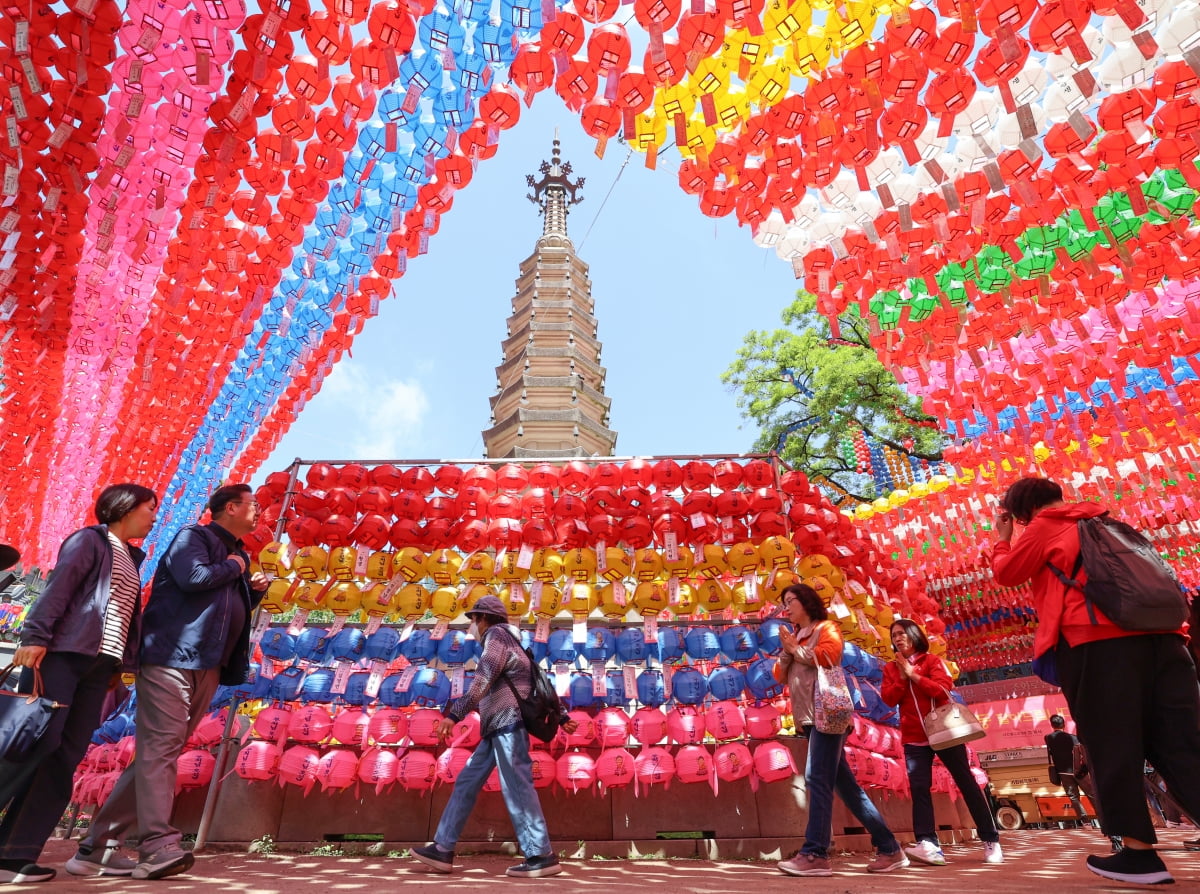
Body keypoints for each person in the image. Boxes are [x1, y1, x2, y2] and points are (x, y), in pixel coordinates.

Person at [992, 476, 1200, 885]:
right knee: (1183, 746)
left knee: (1112, 746)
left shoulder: (1043, 526)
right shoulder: (1105, 522)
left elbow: (1007, 572)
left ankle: (1139, 856)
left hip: (1100, 646)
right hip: (1167, 640)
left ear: (1019, 512)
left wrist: (1003, 538)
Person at [69, 484, 267, 882]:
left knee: (159, 753)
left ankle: (96, 848)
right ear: (230, 507)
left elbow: (223, 603)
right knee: (160, 750)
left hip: (208, 664)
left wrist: (252, 591)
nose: (259, 512)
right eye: (253, 505)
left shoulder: (237, 554)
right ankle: (157, 845)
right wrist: (236, 568)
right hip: (171, 657)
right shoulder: (194, 537)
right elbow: (195, 578)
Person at [0, 484, 157, 885]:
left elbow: (122, 617)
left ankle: (16, 853)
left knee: (63, 757)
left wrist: (119, 667)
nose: (154, 517)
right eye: (149, 509)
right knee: (32, 743)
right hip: (65, 656)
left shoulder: (130, 556)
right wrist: (35, 637)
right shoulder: (90, 541)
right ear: (125, 508)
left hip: (97, 668)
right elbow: (59, 590)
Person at [412, 594, 576, 878]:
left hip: (507, 724)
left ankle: (541, 854)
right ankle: (443, 848)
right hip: (495, 727)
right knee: (466, 781)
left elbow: (484, 679)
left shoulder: (497, 636)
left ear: (484, 618)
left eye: (473, 620)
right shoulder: (514, 642)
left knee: (517, 786)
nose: (471, 627)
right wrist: (561, 716)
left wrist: (454, 714)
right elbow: (539, 681)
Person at [772, 583, 908, 877]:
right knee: (847, 788)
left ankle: (815, 853)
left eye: (791, 600)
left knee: (816, 778)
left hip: (828, 715)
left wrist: (796, 649)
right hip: (809, 718)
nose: (787, 607)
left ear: (807, 602)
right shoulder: (795, 636)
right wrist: (787, 650)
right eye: (784, 603)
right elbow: (779, 675)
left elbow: (829, 657)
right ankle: (890, 848)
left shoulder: (826, 628)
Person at [881, 618, 1003, 866]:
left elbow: (941, 690)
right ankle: (927, 843)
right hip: (914, 736)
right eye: (894, 635)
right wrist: (903, 676)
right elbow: (888, 698)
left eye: (902, 633)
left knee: (966, 782)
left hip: (943, 731)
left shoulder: (932, 661)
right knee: (919, 788)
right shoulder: (891, 668)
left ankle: (991, 840)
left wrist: (913, 675)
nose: (898, 638)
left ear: (915, 635)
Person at [1045, 714, 1089, 823]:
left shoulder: (1048, 738)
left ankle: (1084, 819)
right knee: (1091, 794)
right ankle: (1102, 819)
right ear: (1064, 724)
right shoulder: (1073, 738)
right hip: (1079, 771)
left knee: (1073, 797)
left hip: (1063, 773)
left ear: (1052, 725)